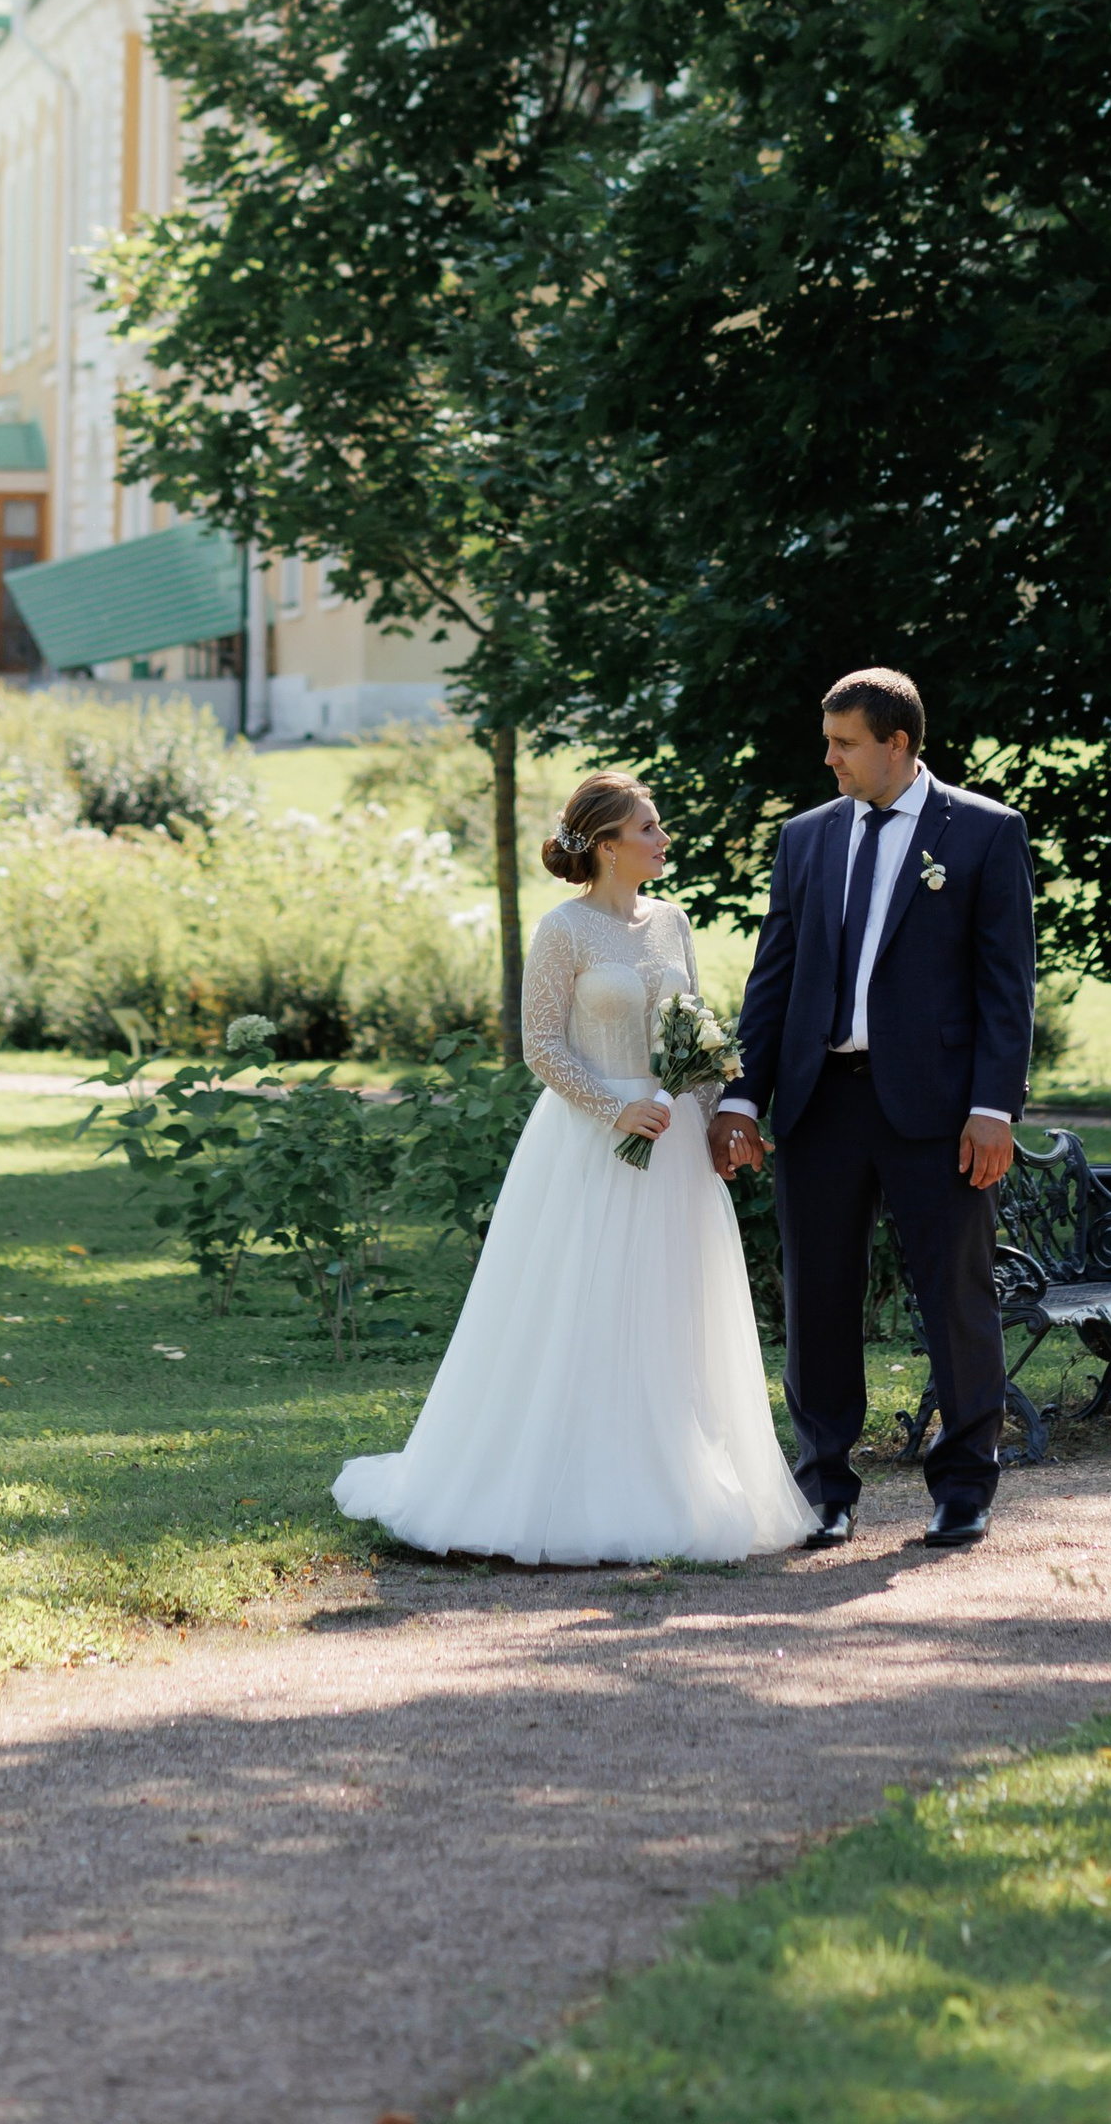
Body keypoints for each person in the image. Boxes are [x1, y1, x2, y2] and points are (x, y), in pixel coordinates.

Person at [334, 769, 815, 1565]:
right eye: (649, 829)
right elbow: (542, 1046)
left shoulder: (673, 922)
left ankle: (672, 1481)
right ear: (606, 845)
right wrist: (613, 1107)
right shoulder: (564, 930)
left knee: (668, 1310)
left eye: (659, 827)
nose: (663, 840)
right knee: (580, 1304)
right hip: (588, 1144)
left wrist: (715, 1124)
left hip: (671, 1152)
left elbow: (692, 1040)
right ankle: (559, 1485)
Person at [708, 668, 1036, 1553]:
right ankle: (824, 1487)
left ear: (898, 743)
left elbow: (1008, 988)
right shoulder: (806, 839)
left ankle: (965, 1484)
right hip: (820, 1107)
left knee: (955, 1299)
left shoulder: (985, 834)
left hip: (940, 1112)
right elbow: (773, 977)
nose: (830, 759)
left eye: (844, 743)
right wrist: (741, 1094)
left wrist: (992, 1107)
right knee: (816, 1302)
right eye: (829, 742)